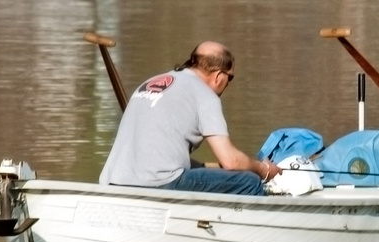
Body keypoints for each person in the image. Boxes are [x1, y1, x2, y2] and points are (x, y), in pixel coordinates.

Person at [99, 40, 282, 195]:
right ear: (219, 75)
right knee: (249, 182)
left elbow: (161, 156)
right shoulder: (204, 94)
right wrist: (263, 170)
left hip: (112, 181)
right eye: (230, 78)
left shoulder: (150, 83)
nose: (228, 84)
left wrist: (205, 167)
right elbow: (230, 160)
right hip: (157, 183)